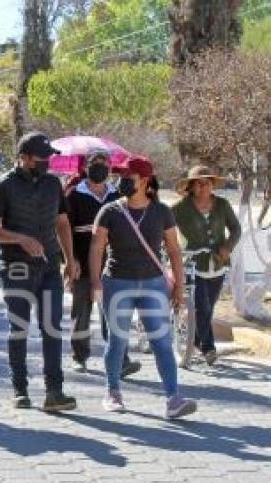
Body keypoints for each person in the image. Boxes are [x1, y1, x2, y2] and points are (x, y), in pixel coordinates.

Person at [90, 157, 198, 418]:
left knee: (161, 342)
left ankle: (173, 399)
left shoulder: (162, 212)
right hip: (117, 283)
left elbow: (174, 250)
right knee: (117, 341)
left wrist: (179, 287)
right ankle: (113, 392)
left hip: (153, 284)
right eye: (121, 176)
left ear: (145, 180)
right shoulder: (110, 211)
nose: (122, 181)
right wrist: (95, 284)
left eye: (129, 176)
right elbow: (96, 248)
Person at [0, 132, 79, 412]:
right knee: (19, 329)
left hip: (49, 266)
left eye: (48, 157)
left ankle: (54, 391)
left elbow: (62, 224)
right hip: (15, 267)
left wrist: (70, 259)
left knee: (52, 328)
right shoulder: (5, 186)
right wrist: (20, 239)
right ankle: (20, 389)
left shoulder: (53, 184)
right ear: (23, 158)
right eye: (41, 157)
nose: (46, 162)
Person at [66, 149, 142, 376]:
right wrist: (70, 261)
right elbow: (64, 230)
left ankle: (121, 359)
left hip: (113, 264)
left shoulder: (117, 196)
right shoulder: (73, 195)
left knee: (114, 312)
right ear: (85, 167)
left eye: (104, 163)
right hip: (81, 261)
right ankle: (79, 356)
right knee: (81, 311)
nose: (100, 166)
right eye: (94, 162)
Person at [172, 165, 242, 366]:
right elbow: (164, 229)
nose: (204, 187)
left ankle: (194, 341)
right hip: (193, 265)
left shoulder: (222, 204)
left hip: (218, 265)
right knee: (201, 307)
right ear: (191, 186)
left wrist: (228, 246)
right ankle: (209, 348)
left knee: (208, 308)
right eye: (199, 183)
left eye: (208, 183)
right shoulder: (179, 208)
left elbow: (236, 228)